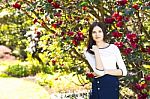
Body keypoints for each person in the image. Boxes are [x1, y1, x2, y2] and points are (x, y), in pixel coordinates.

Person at [84, 22, 128, 99]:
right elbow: (99, 72)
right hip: (99, 86)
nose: (97, 34)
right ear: (91, 34)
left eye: (99, 31)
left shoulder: (113, 48)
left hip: (112, 85)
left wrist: (106, 71)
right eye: (94, 32)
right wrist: (96, 52)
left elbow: (124, 72)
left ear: (104, 32)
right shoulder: (88, 51)